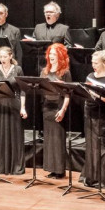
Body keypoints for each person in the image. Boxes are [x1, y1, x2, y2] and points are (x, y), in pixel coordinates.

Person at [0, 46, 26, 175]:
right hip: (0, 105)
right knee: (0, 136)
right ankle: (1, 166)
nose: (2, 59)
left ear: (10, 56)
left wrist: (23, 107)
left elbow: (23, 90)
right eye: (1, 56)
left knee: (15, 136)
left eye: (5, 56)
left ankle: (16, 167)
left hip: (14, 105)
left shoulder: (18, 69)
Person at [83, 50, 105, 190]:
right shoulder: (90, 76)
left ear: (104, 63)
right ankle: (92, 177)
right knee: (91, 146)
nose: (93, 65)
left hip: (103, 117)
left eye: (96, 63)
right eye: (92, 63)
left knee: (102, 146)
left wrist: (98, 96)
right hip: (89, 114)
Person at [40, 43, 73, 180]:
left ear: (60, 55)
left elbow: (68, 94)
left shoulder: (65, 72)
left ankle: (59, 170)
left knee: (58, 139)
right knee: (49, 139)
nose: (51, 56)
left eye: (54, 54)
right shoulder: (44, 71)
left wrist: (63, 110)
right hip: (47, 107)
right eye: (50, 54)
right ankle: (51, 168)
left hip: (58, 107)